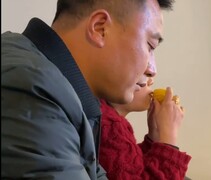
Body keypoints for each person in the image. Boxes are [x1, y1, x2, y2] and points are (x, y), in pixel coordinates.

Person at [1, 0, 175, 179]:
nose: (152, 69)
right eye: (150, 46)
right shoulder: (34, 91)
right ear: (100, 28)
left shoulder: (68, 99)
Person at [99, 75, 191, 180]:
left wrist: (154, 137)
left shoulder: (112, 121)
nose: (151, 80)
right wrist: (169, 136)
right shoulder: (110, 127)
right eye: (143, 73)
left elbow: (131, 166)